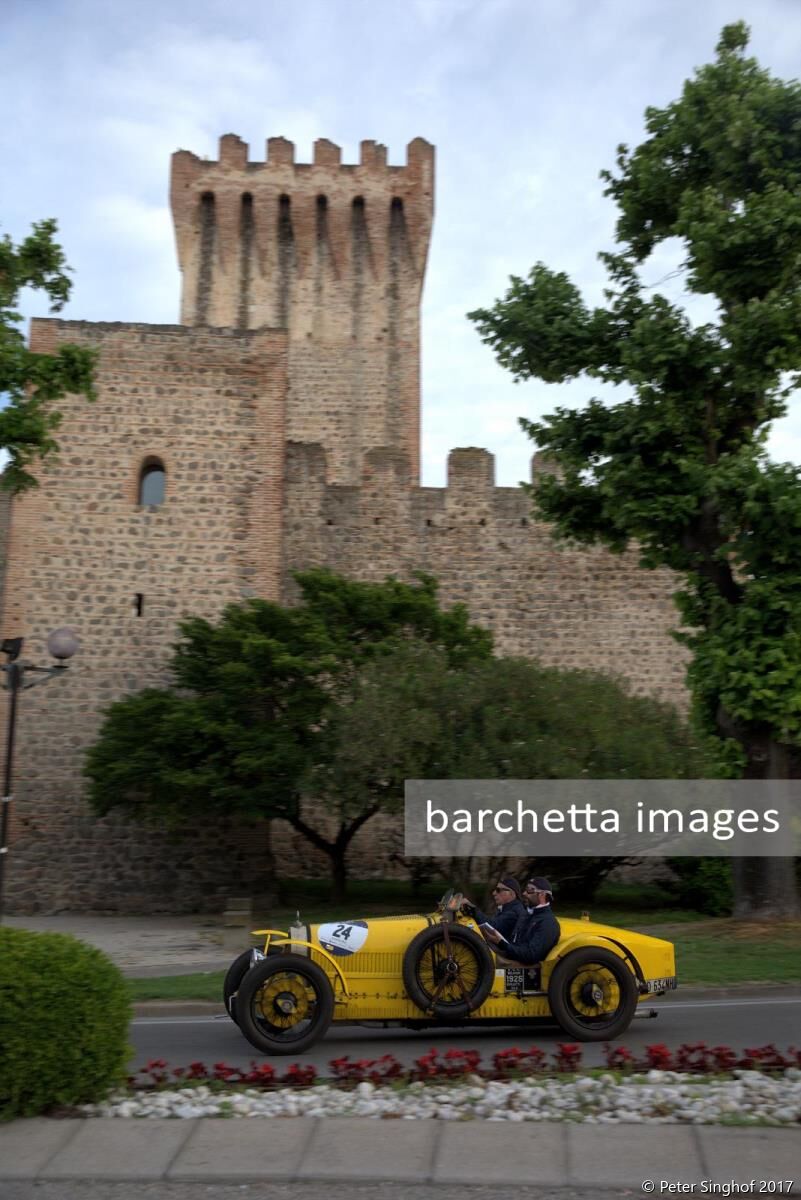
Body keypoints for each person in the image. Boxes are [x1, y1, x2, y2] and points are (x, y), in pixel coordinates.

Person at [482, 877, 560, 964]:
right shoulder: (527, 914)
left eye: (530, 890)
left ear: (542, 895)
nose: (524, 893)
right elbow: (515, 944)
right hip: (511, 957)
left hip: (525, 967)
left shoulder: (548, 923)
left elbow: (530, 955)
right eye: (525, 890)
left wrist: (501, 943)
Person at [462, 876, 526, 941]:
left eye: (498, 890)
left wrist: (473, 910)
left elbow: (493, 926)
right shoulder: (508, 908)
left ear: (512, 893)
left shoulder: (514, 912)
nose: (494, 893)